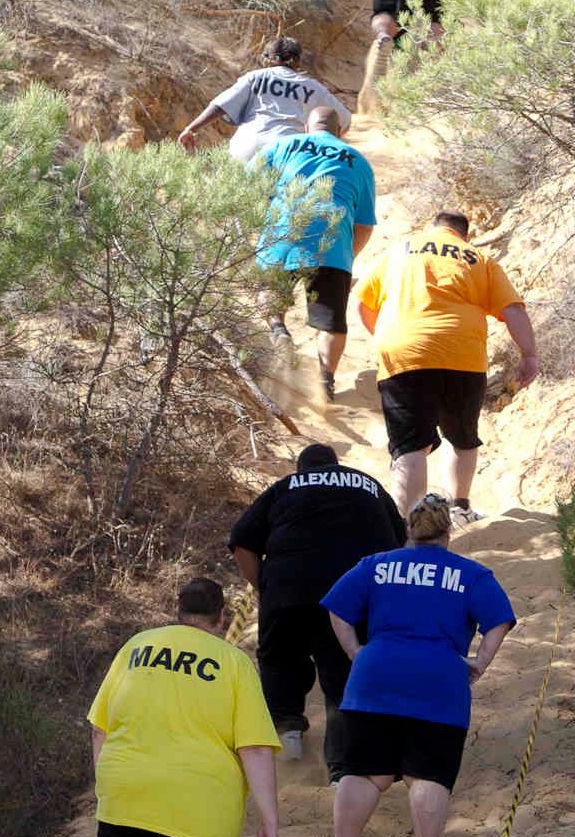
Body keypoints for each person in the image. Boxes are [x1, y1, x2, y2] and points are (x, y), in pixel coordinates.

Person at [63, 578, 281, 837]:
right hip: (197, 808)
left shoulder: (137, 646)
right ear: (222, 617)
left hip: (127, 792)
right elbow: (253, 748)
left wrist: (106, 787)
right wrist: (269, 817)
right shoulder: (234, 663)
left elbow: (99, 728)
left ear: (178, 611)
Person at [318, 494, 516, 837]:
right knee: (428, 775)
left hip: (375, 675)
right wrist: (480, 661)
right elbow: (499, 621)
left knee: (361, 772)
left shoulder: (375, 565)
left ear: (409, 529)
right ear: (448, 531)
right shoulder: (471, 574)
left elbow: (337, 608)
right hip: (438, 680)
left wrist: (356, 651)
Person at [228, 443, 404, 780]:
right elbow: (399, 544)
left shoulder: (283, 488)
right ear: (336, 466)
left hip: (287, 589)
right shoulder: (369, 485)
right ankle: (341, 769)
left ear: (301, 469)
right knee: (342, 675)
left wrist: (264, 586)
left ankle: (288, 737)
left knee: (280, 659)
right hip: (349, 596)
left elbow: (241, 541)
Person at [355, 210, 539, 524]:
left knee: (410, 445)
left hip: (403, 352)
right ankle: (461, 508)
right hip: (462, 355)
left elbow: (363, 302)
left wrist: (385, 336)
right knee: (462, 435)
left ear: (434, 227)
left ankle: (410, 525)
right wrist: (529, 354)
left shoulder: (399, 251)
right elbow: (512, 309)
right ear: (463, 235)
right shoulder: (479, 258)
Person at [255, 107, 377, 400]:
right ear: (340, 132)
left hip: (283, 232)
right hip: (332, 245)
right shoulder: (358, 162)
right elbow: (364, 224)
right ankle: (326, 382)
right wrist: (348, 258)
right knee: (332, 322)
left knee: (268, 291)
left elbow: (249, 187)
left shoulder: (282, 145)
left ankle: (278, 329)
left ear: (306, 127)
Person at [178, 36, 351, 164]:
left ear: (267, 58)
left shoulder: (255, 77)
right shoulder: (313, 87)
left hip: (247, 148)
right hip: (289, 152)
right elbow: (344, 120)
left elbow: (220, 105)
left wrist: (191, 129)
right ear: (298, 60)